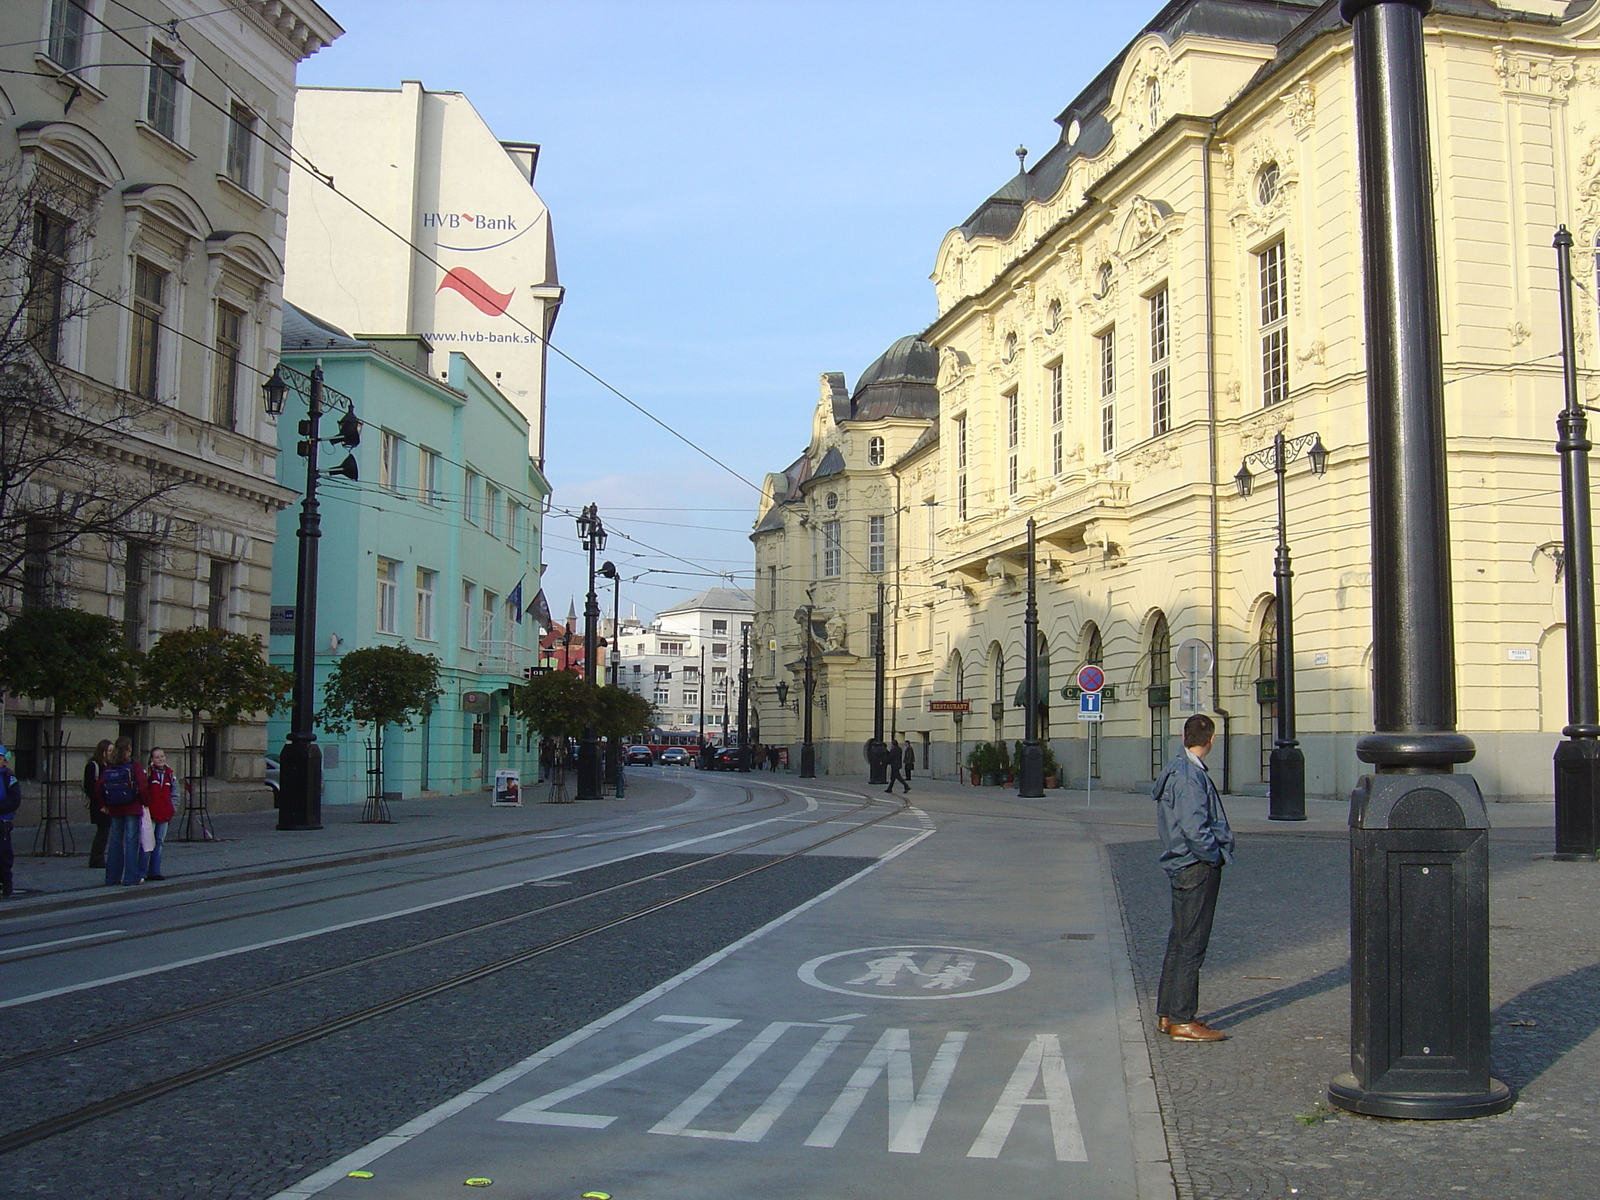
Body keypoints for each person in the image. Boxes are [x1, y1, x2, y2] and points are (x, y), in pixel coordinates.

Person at [1153, 713, 1234, 1042]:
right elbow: (1195, 827)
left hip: (1183, 863)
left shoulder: (1178, 767)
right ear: (1211, 740)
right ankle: (1183, 1019)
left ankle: (1167, 1012)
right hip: (1194, 866)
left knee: (1179, 940)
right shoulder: (1189, 776)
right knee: (1191, 945)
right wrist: (1214, 856)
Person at [97, 737, 147, 886]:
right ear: (129, 749)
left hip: (114, 807)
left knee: (115, 841)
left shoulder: (109, 767)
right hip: (132, 806)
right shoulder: (134, 766)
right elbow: (143, 787)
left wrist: (103, 804)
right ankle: (131, 877)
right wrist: (146, 803)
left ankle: (112, 877)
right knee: (131, 841)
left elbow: (98, 786)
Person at [142, 747, 177, 881]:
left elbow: (175, 793)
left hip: (164, 814)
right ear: (151, 759)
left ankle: (155, 871)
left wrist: (172, 808)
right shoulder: (147, 774)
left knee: (159, 842)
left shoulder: (170, 775)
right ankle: (142, 872)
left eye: (162, 756)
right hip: (150, 813)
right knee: (146, 842)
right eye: (157, 757)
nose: (160, 759)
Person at [84, 739, 113, 869]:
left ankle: (98, 857)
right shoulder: (93, 765)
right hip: (99, 804)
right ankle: (96, 858)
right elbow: (89, 787)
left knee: (105, 830)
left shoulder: (110, 765)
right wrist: (100, 803)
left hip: (108, 802)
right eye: (110, 751)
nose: (112, 753)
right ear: (103, 751)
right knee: (103, 830)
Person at [0, 745, 19, 898]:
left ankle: (7, 885)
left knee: (4, 855)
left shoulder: (9, 778)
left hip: (3, 823)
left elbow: (14, 801)